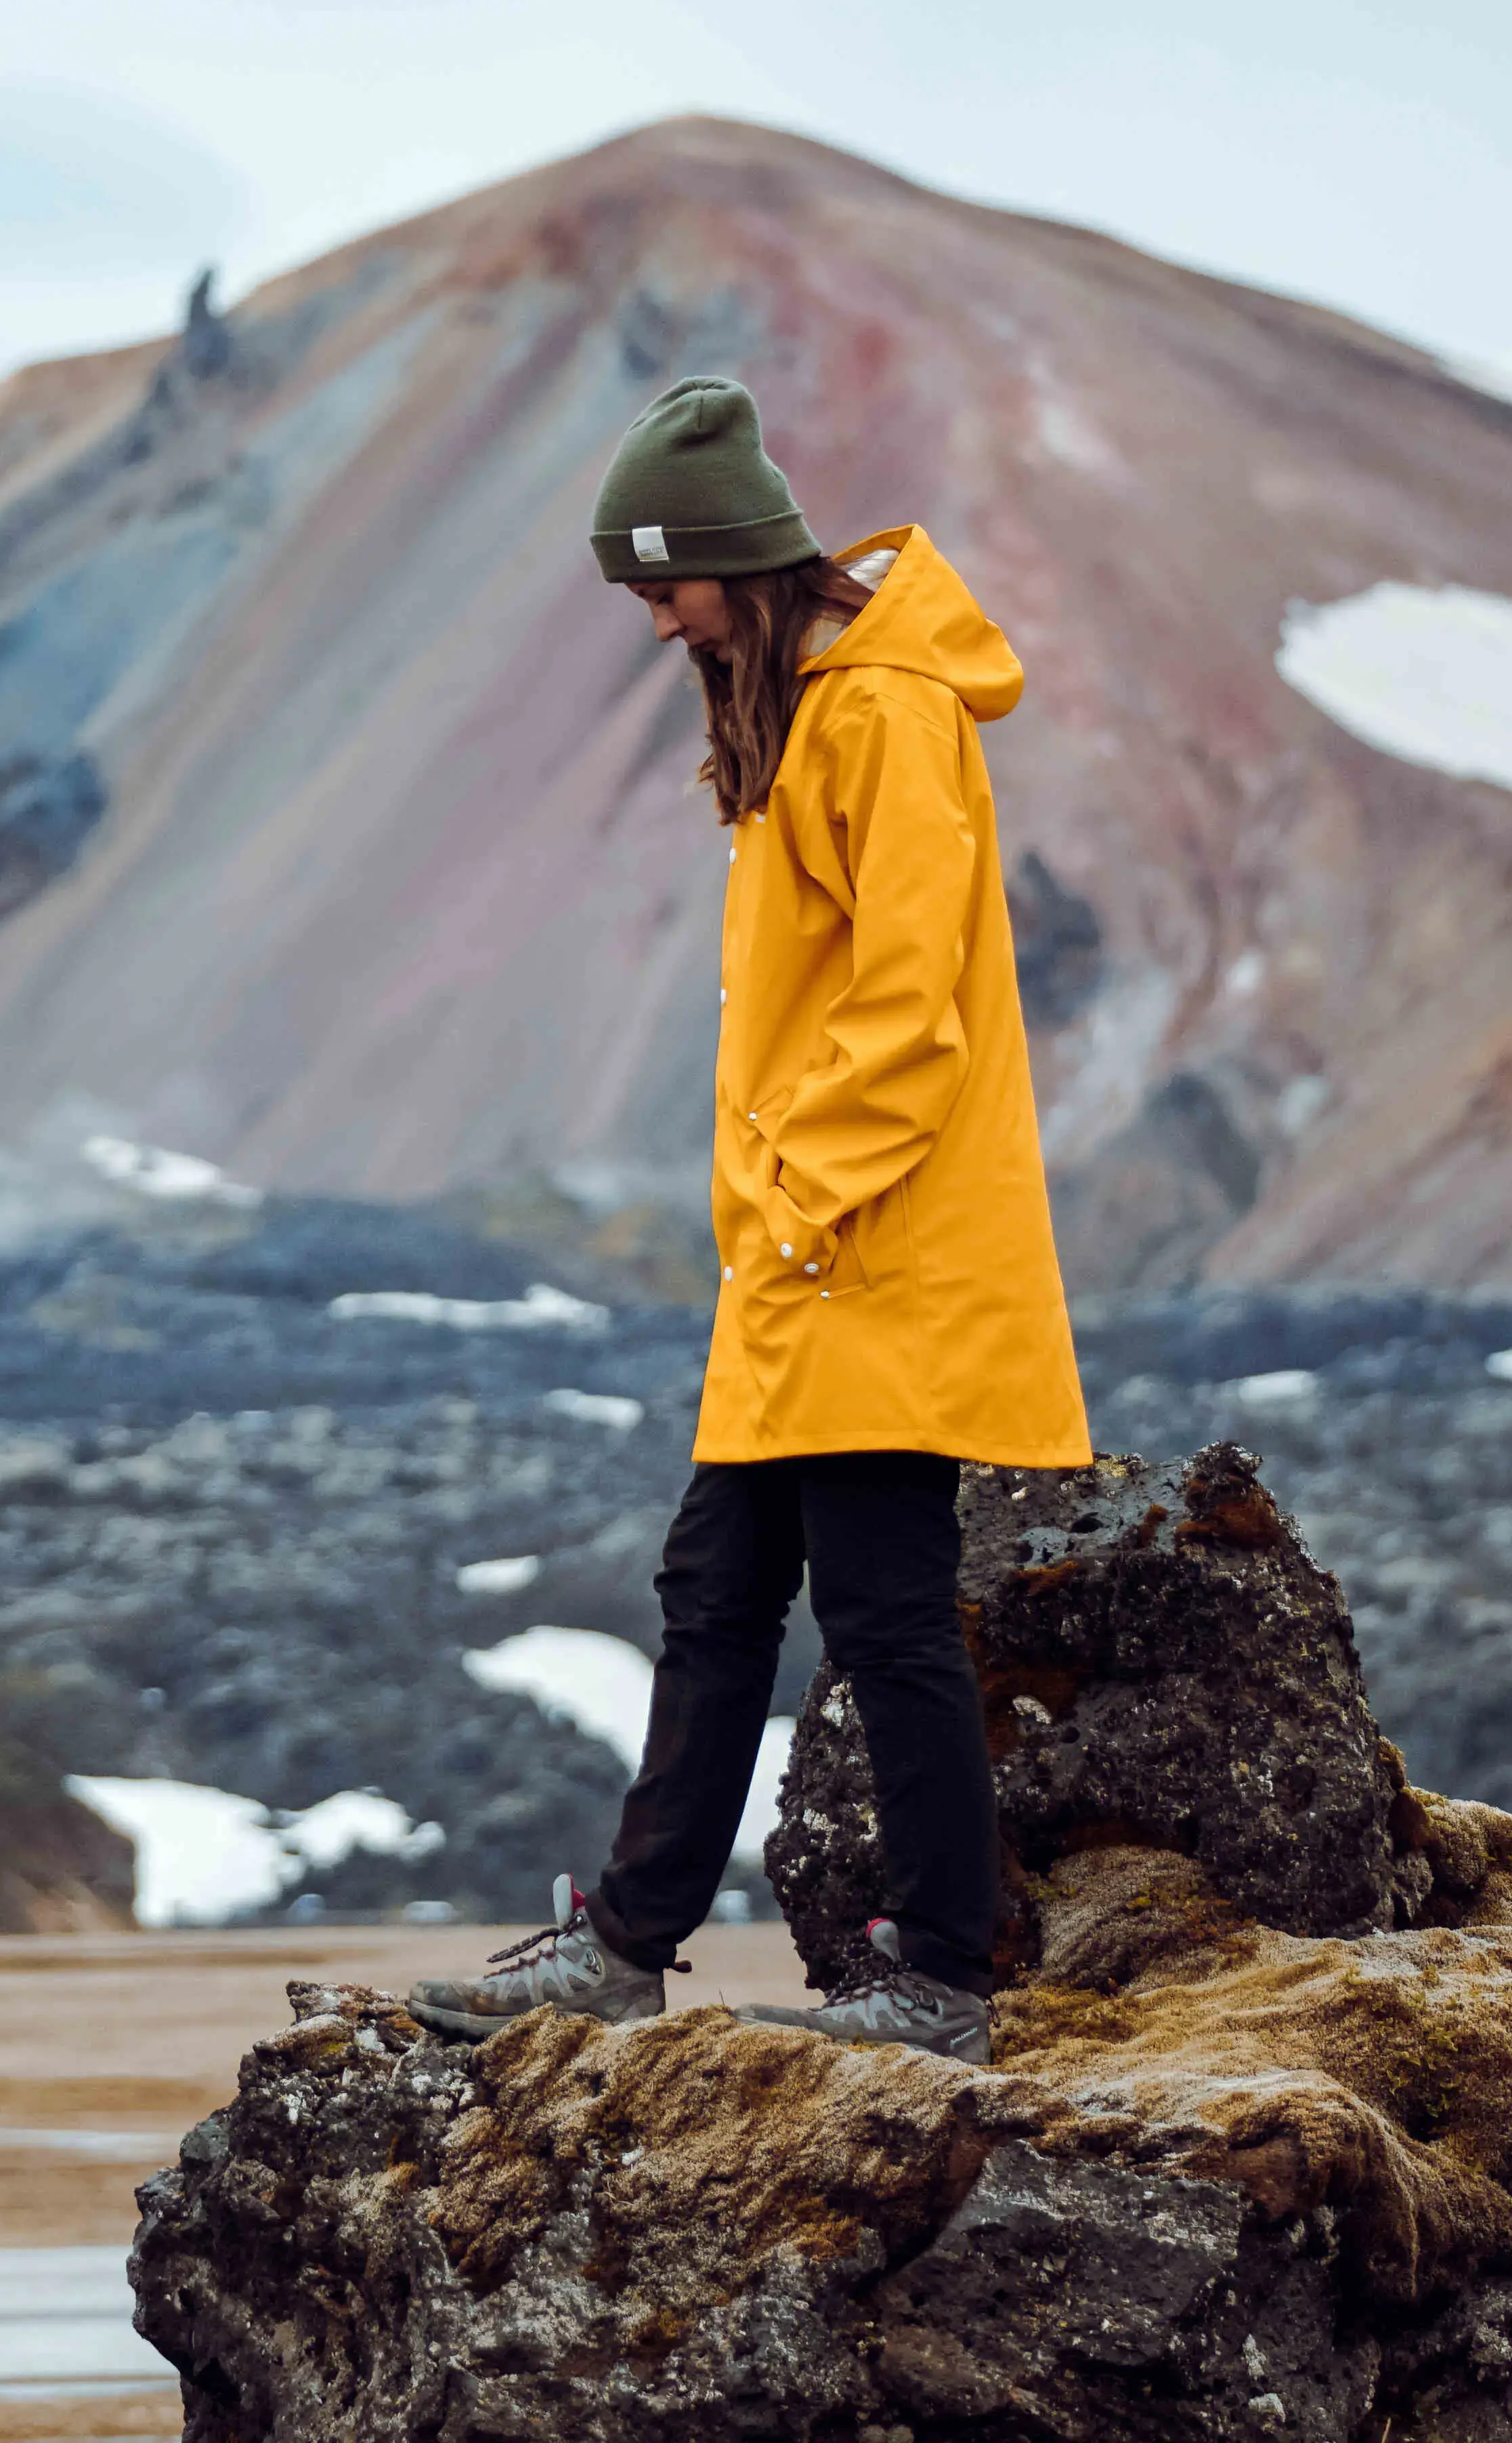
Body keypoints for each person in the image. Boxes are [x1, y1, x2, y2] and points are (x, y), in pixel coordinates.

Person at [404, 376, 1092, 2064]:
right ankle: (628, 1945)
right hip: (807, 1259)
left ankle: (940, 1979)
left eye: (663, 587)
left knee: (884, 1612)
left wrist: (791, 1205)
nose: (653, 624)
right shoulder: (801, 699)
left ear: (732, 558)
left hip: (870, 1249)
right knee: (716, 1589)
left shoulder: (883, 714)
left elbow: (908, 1005)